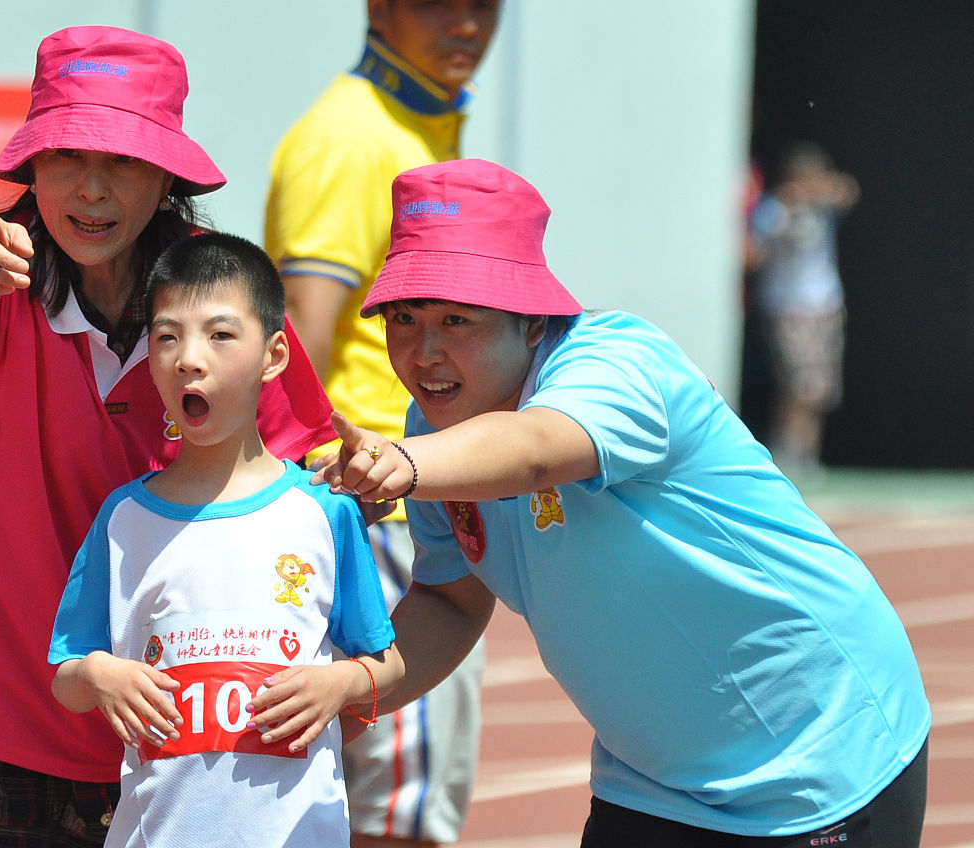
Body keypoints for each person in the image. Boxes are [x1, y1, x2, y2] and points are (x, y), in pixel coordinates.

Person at [299, 158, 931, 846]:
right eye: (404, 319)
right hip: (654, 783)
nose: (423, 353)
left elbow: (537, 447)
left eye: (456, 320)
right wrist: (348, 688)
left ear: (533, 324)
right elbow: (450, 603)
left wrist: (404, 464)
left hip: (817, 757)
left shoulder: (617, 362)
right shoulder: (433, 437)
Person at [0, 27, 333, 847]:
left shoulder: (222, 293)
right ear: (30, 167)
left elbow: (300, 467)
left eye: (124, 161)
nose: (91, 190)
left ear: (167, 173)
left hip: (178, 721)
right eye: (66, 157)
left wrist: (367, 477)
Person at [49, 232, 405, 847]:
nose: (190, 357)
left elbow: (387, 662)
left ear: (273, 355)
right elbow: (67, 670)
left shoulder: (323, 512)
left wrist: (342, 684)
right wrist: (100, 676)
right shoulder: (123, 518)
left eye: (220, 334)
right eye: (168, 337)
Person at [263, 2, 499, 842]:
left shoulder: (411, 124)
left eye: (486, 3)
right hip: (375, 505)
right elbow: (300, 328)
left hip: (397, 492)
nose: (467, 22)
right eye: (439, 2)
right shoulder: (354, 137)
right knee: (396, 810)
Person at [748, 141, 859, 478]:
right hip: (788, 306)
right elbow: (754, 249)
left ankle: (806, 455)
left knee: (820, 387)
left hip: (824, 303)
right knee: (800, 383)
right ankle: (786, 452)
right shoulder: (777, 208)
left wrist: (815, 191)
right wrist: (787, 202)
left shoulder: (821, 204)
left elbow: (847, 191)